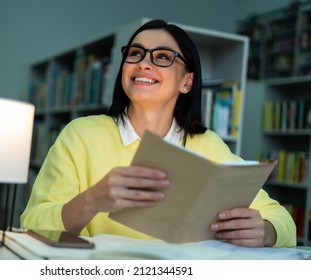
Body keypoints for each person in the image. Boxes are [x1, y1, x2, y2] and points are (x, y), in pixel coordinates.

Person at [21, 19, 296, 248]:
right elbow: (33, 224)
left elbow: (283, 221)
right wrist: (91, 201)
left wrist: (266, 231)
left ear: (187, 82)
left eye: (163, 57)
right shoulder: (80, 135)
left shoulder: (208, 144)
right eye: (135, 53)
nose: (143, 63)